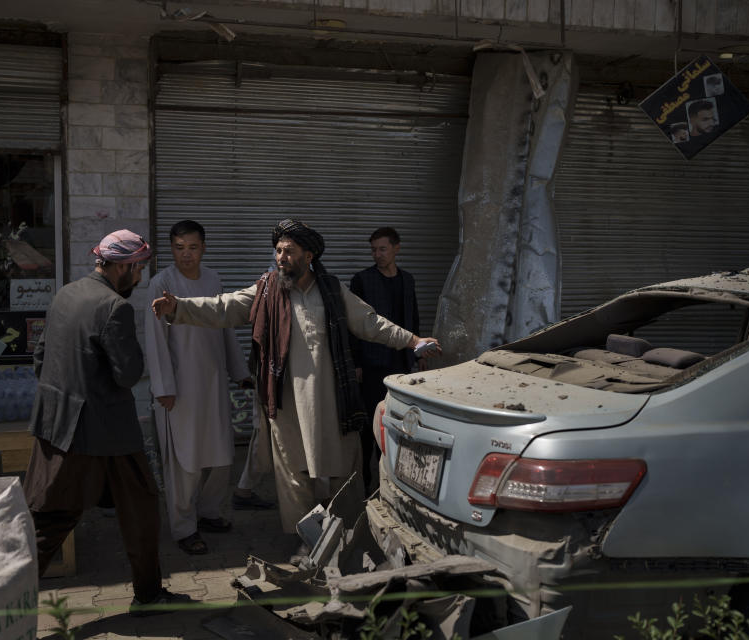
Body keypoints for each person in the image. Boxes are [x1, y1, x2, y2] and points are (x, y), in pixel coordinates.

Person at [151, 219, 440, 545]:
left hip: (331, 401)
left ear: (309, 254)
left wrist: (412, 340)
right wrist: (180, 307)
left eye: (288, 251)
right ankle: (310, 539)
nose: (281, 257)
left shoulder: (331, 290)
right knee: (293, 475)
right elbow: (224, 307)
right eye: (277, 251)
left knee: (340, 469)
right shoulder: (267, 289)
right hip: (285, 403)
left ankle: (349, 533)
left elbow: (370, 323)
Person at [23, 229, 185, 616]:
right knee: (52, 520)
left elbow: (40, 358)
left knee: (140, 506)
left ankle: (149, 594)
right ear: (124, 266)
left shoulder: (66, 293)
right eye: (140, 268)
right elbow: (127, 374)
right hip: (97, 430)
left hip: (62, 422)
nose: (141, 277)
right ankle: (1, 602)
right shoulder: (116, 307)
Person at [144, 220, 253, 555]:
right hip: (179, 388)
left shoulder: (213, 279)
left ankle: (208, 513)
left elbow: (224, 326)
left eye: (192, 247)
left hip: (213, 381)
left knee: (220, 456)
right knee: (184, 461)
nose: (186, 254)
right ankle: (183, 527)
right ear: (171, 249)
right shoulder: (160, 284)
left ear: (203, 248)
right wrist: (163, 386)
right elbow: (154, 340)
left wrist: (239, 370)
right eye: (179, 247)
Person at [350, 227, 420, 493]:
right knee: (369, 424)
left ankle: (394, 479)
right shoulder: (362, 280)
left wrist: (418, 351)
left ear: (396, 248)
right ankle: (366, 482)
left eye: (382, 249)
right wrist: (356, 362)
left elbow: (412, 317)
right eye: (374, 249)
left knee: (398, 420)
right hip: (371, 363)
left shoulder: (407, 280)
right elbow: (354, 325)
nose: (377, 254)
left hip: (401, 363)